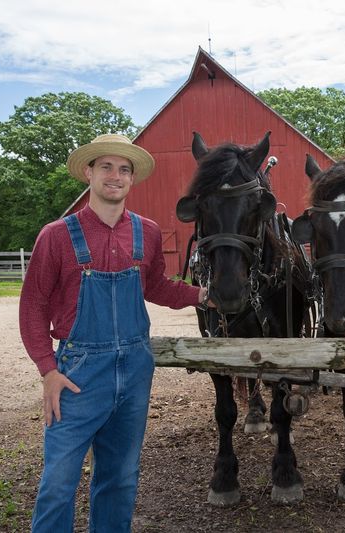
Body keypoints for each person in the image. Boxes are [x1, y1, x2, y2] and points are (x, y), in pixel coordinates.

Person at [19, 134, 208, 532]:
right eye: (106, 166)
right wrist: (48, 370)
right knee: (58, 482)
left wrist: (202, 296)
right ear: (89, 173)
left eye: (124, 169)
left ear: (132, 179)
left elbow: (154, 286)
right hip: (78, 375)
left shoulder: (147, 232)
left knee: (120, 478)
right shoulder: (56, 235)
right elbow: (32, 306)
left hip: (135, 368)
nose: (115, 176)